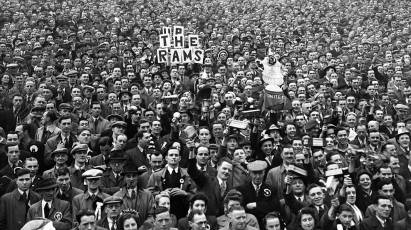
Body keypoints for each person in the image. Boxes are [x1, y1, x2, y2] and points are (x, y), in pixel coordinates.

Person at [236, 160, 284, 226]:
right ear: (250, 173)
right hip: (248, 224)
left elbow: (275, 206)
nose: (258, 176)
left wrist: (256, 205)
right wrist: (265, 206)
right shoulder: (241, 190)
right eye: (255, 173)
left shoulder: (271, 189)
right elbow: (240, 208)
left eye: (260, 173)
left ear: (264, 173)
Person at [114, 161, 154, 226]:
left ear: (138, 177)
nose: (131, 179)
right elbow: (115, 218)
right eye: (128, 176)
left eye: (134, 176)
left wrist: (143, 227)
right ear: (124, 178)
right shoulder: (117, 197)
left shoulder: (148, 195)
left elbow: (151, 216)